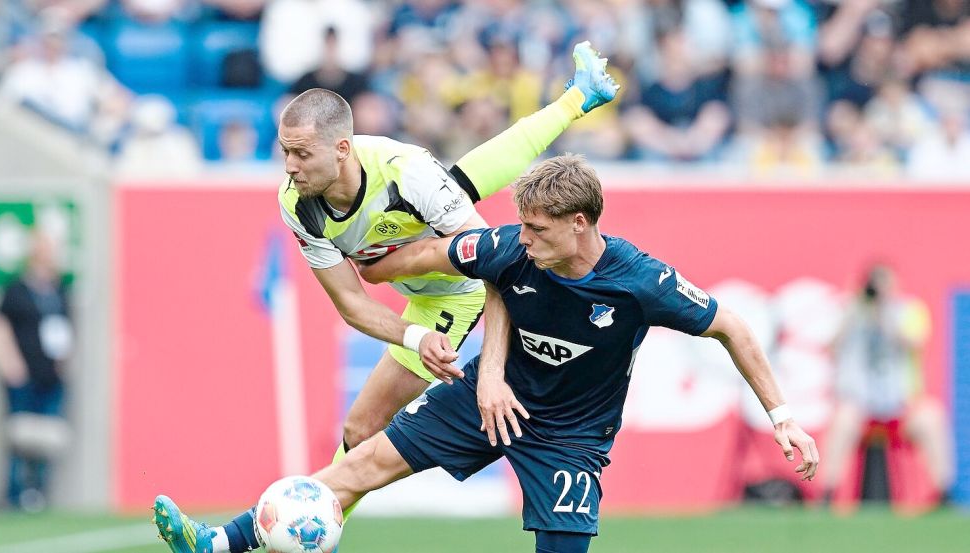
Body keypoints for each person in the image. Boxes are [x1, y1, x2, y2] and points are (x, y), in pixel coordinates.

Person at [156, 155, 818, 553]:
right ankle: (224, 540)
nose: (520, 237)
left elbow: (732, 326)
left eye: (536, 227)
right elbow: (426, 255)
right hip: (483, 399)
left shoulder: (638, 281)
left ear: (579, 224)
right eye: (521, 223)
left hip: (570, 437)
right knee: (361, 462)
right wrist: (370, 259)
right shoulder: (507, 247)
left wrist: (781, 414)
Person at [154, 43, 619, 553]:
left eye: (301, 153)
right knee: (361, 423)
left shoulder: (406, 172)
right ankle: (579, 96)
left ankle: (228, 541)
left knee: (364, 424)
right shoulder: (298, 205)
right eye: (285, 150)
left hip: (459, 292)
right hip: (422, 294)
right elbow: (351, 303)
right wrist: (415, 334)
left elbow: (496, 264)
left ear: (342, 150)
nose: (289, 166)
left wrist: (481, 360)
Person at [822, 264, 953, 504]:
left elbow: (912, 341)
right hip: (861, 407)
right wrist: (854, 309)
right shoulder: (852, 311)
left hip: (900, 406)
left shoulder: (909, 311)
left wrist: (885, 311)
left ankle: (943, 492)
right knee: (842, 420)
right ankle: (828, 493)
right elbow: (830, 347)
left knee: (932, 417)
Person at [0, 231, 73, 511]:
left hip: (50, 375)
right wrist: (10, 363)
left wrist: (63, 362)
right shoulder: (17, 290)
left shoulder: (59, 290)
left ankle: (38, 492)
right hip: (22, 375)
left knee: (46, 437)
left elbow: (65, 329)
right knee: (19, 435)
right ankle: (15, 493)